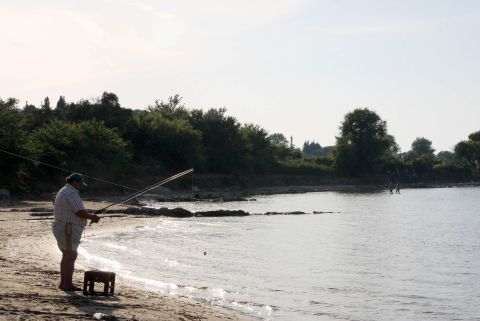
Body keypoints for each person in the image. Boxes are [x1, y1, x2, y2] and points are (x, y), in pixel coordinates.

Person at [52, 173, 100, 291]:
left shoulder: (65, 191)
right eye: (80, 184)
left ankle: (64, 283)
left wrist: (89, 216)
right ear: (74, 182)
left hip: (64, 227)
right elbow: (79, 212)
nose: (81, 186)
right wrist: (92, 217)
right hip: (68, 228)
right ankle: (67, 284)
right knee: (71, 255)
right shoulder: (71, 192)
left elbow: (78, 212)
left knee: (67, 255)